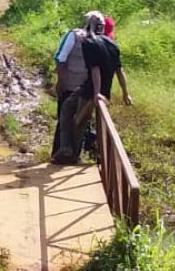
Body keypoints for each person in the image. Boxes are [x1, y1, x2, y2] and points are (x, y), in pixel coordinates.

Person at [52, 12, 131, 164]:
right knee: (68, 109)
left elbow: (94, 69)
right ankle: (67, 147)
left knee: (79, 120)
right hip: (97, 89)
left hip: (92, 89)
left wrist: (96, 94)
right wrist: (125, 93)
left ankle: (72, 154)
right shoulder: (112, 44)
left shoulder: (89, 43)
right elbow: (120, 71)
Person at [50, 15, 91, 155]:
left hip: (83, 90)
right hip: (71, 87)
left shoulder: (95, 40)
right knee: (67, 119)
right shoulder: (74, 36)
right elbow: (60, 59)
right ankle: (61, 154)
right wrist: (61, 82)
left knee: (76, 121)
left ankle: (70, 155)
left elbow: (60, 58)